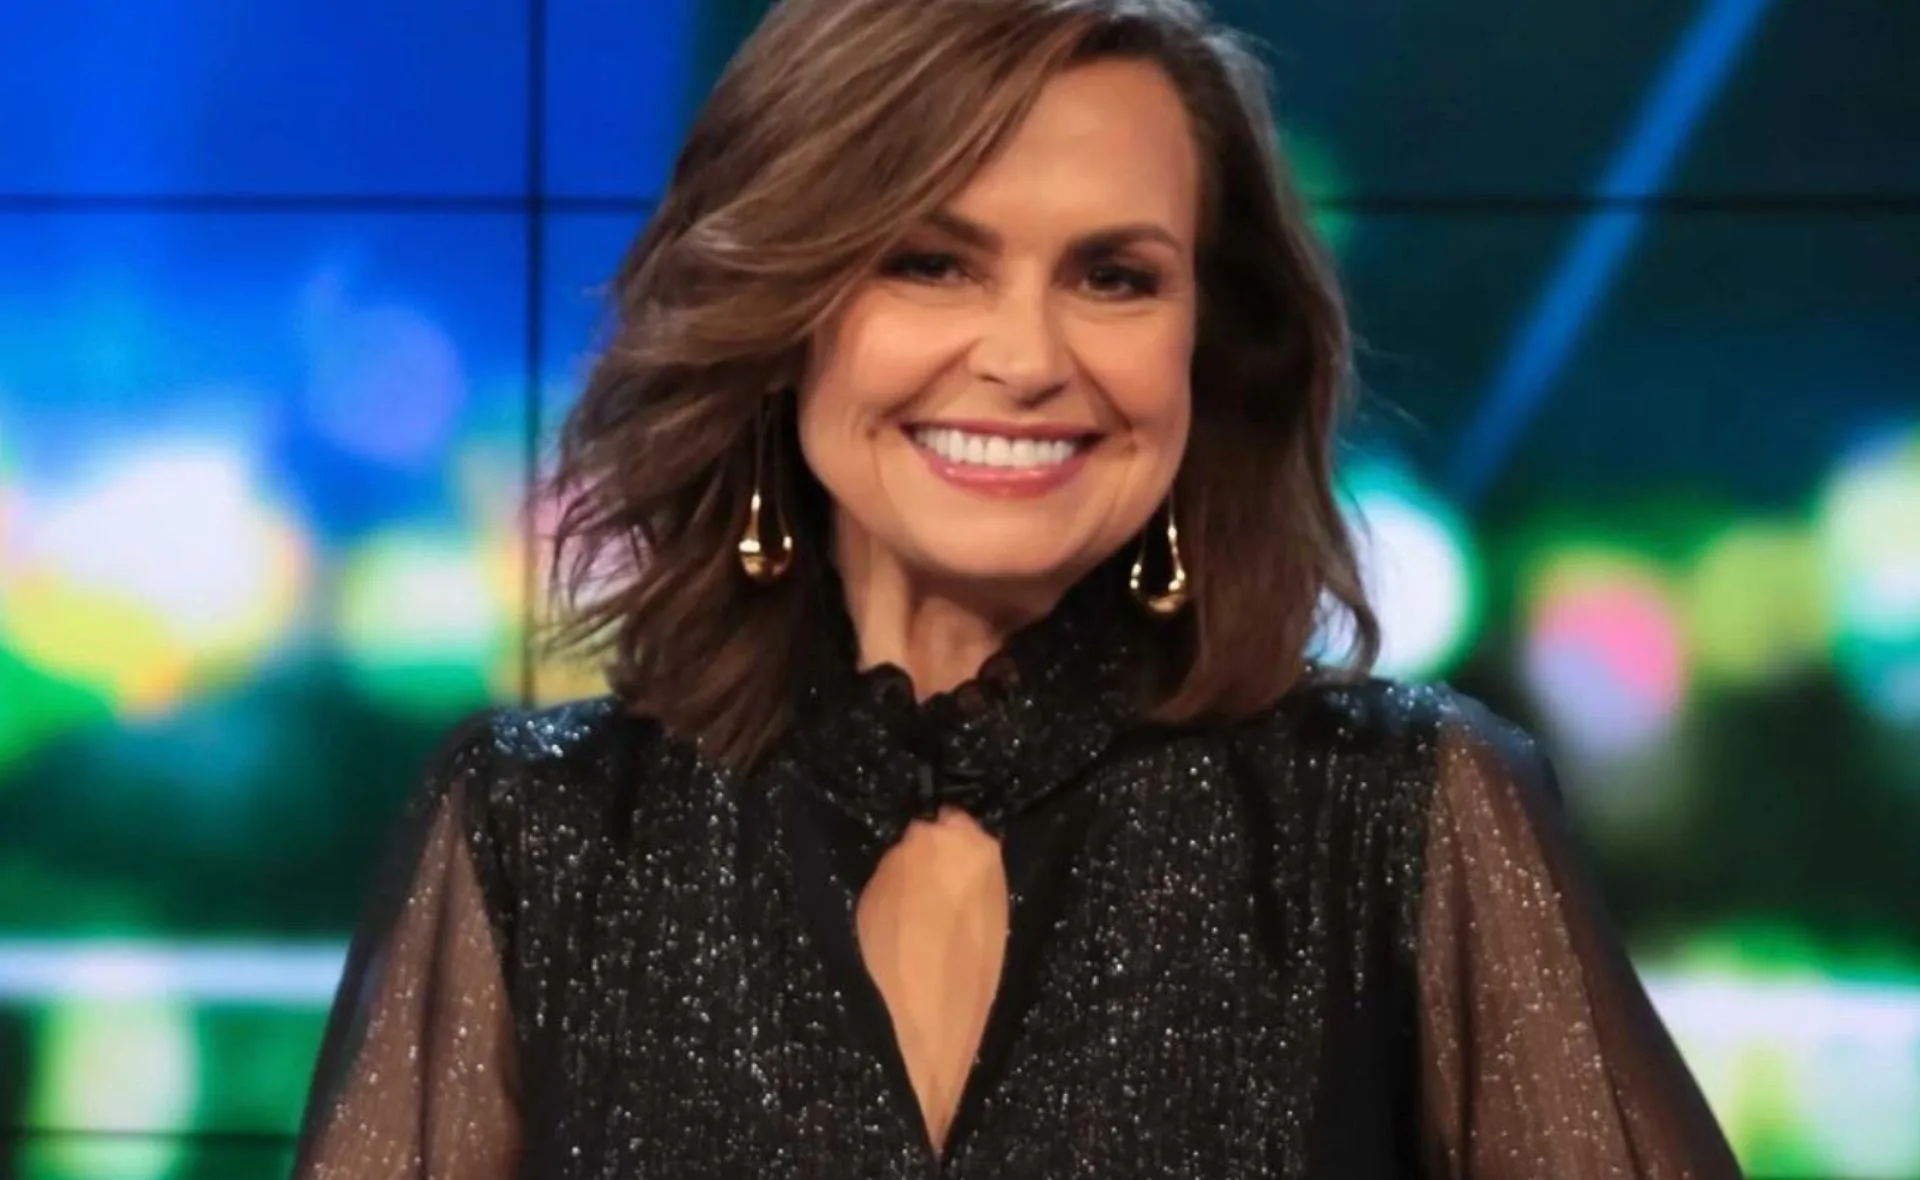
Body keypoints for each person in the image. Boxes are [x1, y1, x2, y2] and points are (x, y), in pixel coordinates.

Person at [289, 0, 1745, 1175]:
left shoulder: (1407, 819)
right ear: (786, 313)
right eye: (932, 264)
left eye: (1115, 278)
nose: (1028, 356)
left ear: (1207, 344)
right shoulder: (537, 836)